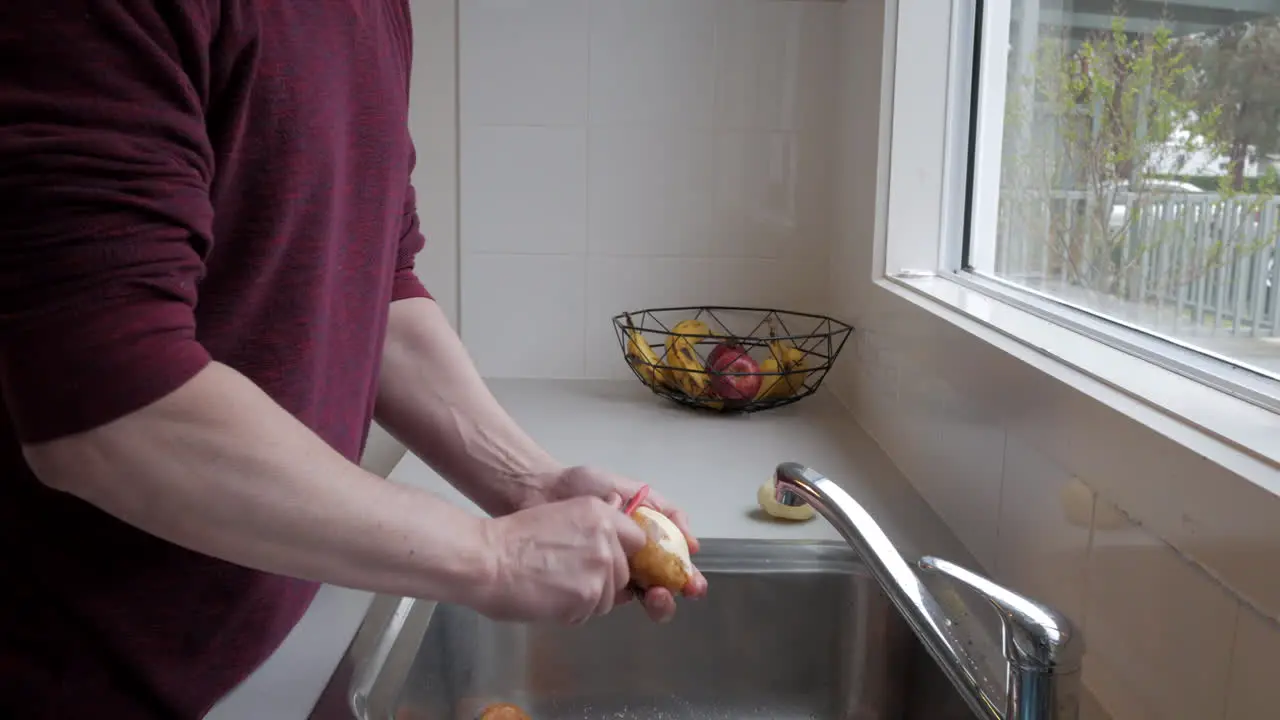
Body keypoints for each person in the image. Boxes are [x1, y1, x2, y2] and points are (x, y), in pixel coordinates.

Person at [0, 2, 707, 717]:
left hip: (254, 650)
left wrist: (529, 482)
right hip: (69, 674)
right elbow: (107, 403)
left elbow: (374, 284)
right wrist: (491, 556)